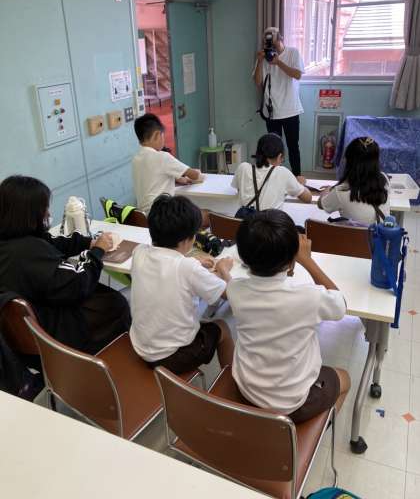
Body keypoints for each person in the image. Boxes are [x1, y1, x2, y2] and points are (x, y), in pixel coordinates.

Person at [227, 210, 350, 423]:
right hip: (292, 403)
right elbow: (340, 305)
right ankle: (313, 431)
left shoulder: (234, 289)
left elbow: (235, 283)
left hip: (246, 390)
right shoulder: (308, 297)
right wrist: (307, 260)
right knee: (345, 378)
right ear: (292, 260)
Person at [0, 175, 131, 354]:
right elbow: (78, 283)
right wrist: (97, 251)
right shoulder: (29, 251)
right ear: (29, 213)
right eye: (44, 208)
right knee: (116, 302)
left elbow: (50, 242)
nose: (48, 213)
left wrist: (87, 242)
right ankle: (113, 356)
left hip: (27, 323)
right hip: (56, 326)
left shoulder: (13, 241)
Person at [130, 194, 234, 374]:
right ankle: (230, 381)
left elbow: (168, 263)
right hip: (170, 357)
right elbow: (230, 294)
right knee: (222, 328)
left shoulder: (139, 252)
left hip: (140, 345)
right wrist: (224, 269)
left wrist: (192, 261)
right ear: (188, 239)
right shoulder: (187, 268)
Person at [254, 27, 305, 182]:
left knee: (293, 146)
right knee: (272, 149)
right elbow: (258, 82)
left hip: (290, 110)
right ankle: (274, 179)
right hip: (272, 112)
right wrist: (260, 60)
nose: (271, 46)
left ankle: (297, 178)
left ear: (280, 38)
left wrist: (278, 62)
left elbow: (297, 74)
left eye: (273, 41)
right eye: (268, 41)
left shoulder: (293, 52)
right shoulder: (264, 57)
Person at [132, 113, 202, 215]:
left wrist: (176, 178)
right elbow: (194, 175)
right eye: (162, 135)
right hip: (162, 215)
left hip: (143, 216)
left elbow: (152, 177)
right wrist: (195, 173)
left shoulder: (136, 159)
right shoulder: (162, 157)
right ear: (157, 135)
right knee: (204, 214)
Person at [318, 137, 390, 224]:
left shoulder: (340, 192)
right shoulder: (384, 180)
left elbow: (321, 204)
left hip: (350, 233)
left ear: (349, 162)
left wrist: (327, 191)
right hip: (381, 232)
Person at [232, 133, 312, 211]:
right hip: (270, 220)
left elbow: (241, 191)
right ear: (279, 156)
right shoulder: (283, 172)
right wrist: (300, 184)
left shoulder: (242, 167)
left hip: (244, 219)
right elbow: (308, 198)